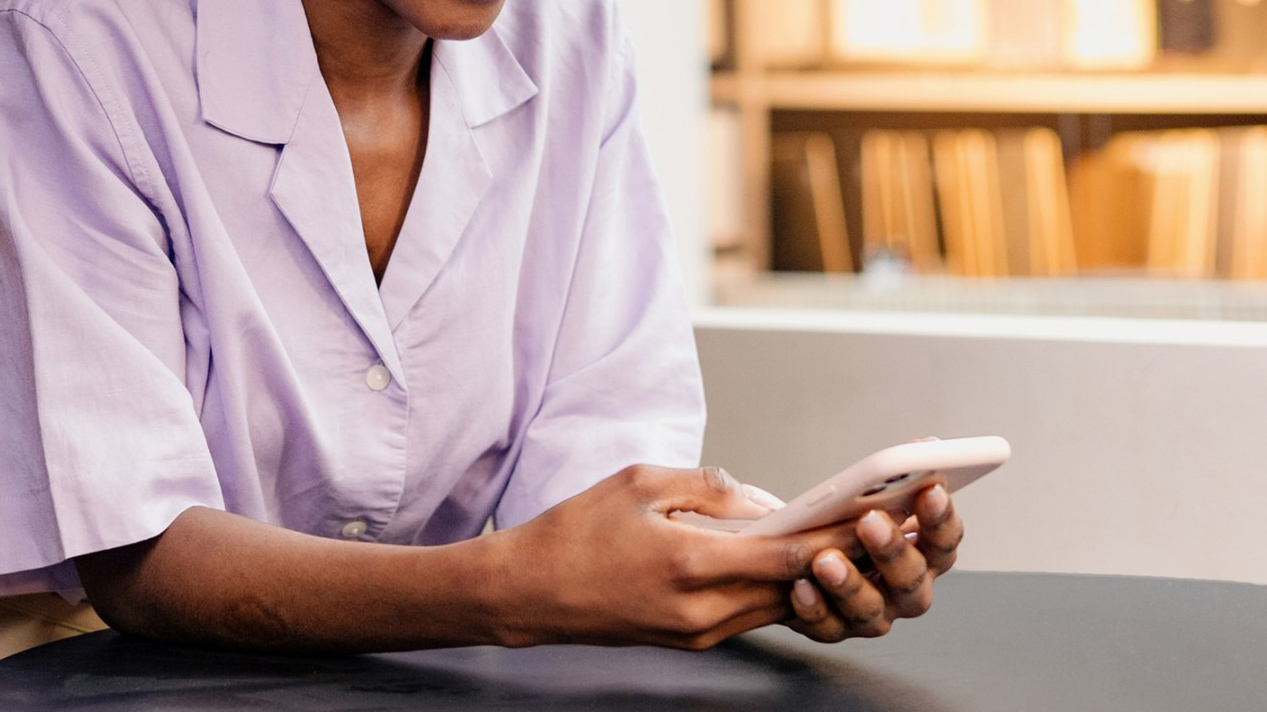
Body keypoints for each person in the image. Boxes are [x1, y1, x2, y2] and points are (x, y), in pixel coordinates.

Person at [0, 0, 965, 657]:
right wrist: (506, 588)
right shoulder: (78, 41)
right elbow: (137, 556)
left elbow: (597, 469)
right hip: (85, 660)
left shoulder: (572, 37)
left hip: (420, 676)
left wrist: (768, 558)